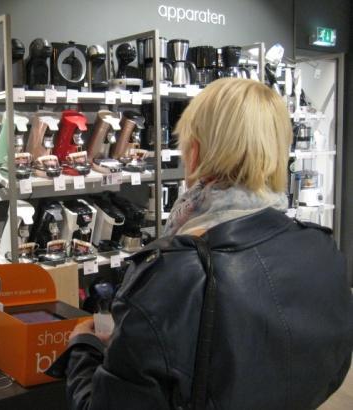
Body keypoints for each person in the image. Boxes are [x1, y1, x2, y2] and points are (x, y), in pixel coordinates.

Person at [47, 78, 353, 409]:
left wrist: (84, 348)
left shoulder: (174, 273)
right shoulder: (322, 249)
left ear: (196, 151)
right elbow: (327, 371)